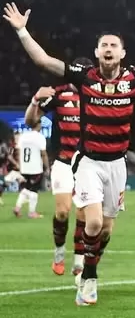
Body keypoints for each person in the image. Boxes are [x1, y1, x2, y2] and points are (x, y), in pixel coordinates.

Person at [4, 1, 135, 306]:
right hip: (88, 162)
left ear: (122, 53)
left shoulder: (133, 79)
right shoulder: (84, 77)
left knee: (105, 230)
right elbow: (45, 61)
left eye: (113, 45)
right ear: (96, 53)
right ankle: (89, 279)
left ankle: (89, 267)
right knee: (91, 223)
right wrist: (22, 31)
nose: (108, 48)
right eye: (103, 44)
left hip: (117, 165)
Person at [25, 68, 90, 275]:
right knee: (63, 211)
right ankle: (59, 253)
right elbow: (30, 122)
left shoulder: (96, 95)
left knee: (82, 213)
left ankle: (79, 261)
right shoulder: (58, 94)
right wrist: (35, 99)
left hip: (87, 163)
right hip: (63, 163)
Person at [13, 120, 47, 219]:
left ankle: (17, 208)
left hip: (24, 167)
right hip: (35, 168)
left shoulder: (23, 136)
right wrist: (47, 166)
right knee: (33, 190)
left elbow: (18, 151)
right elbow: (43, 154)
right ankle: (32, 213)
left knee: (26, 188)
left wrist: (20, 165)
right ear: (39, 125)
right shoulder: (40, 137)